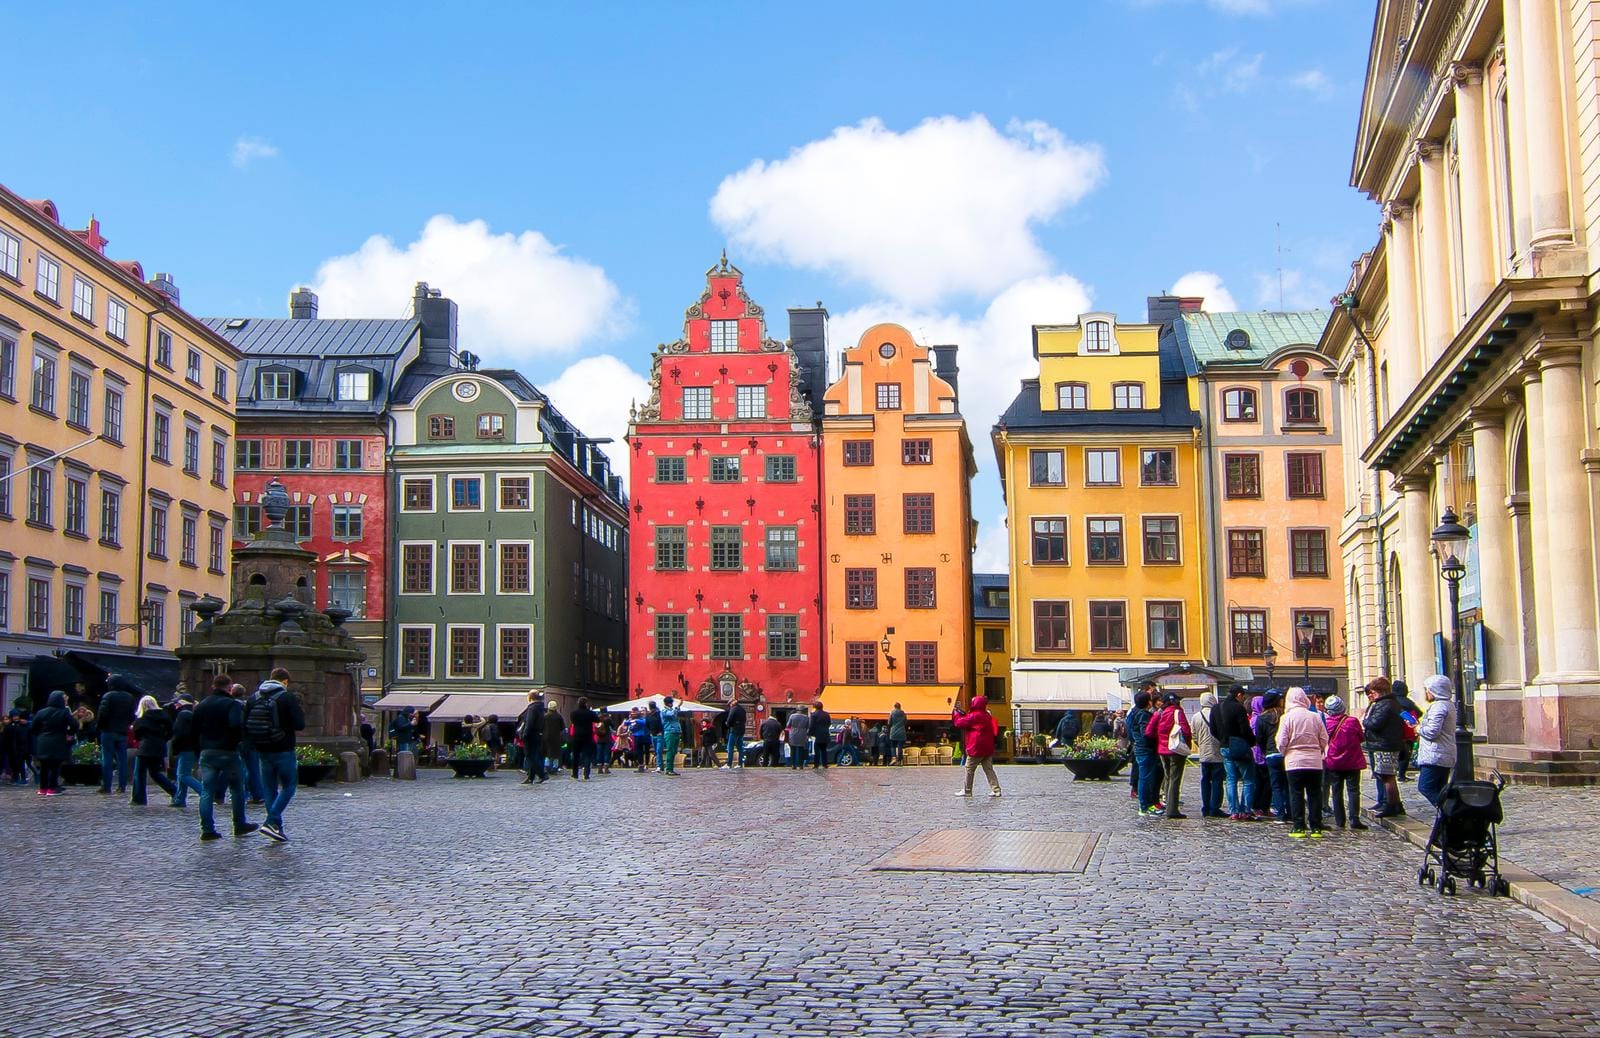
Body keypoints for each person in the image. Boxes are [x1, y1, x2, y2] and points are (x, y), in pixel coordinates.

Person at [192, 677, 258, 841]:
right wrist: (236, 743)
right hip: (228, 751)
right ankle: (239, 824)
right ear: (229, 687)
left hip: (207, 751)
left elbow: (193, 729)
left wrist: (199, 748)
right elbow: (236, 725)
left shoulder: (202, 705)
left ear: (213, 686)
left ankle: (207, 829)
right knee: (237, 789)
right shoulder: (232, 704)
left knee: (207, 791)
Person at [246, 668, 305, 843]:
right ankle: (271, 821)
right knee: (289, 786)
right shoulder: (286, 697)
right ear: (285, 681)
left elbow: (245, 724)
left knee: (269, 788)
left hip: (262, 749)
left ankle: (276, 828)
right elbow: (299, 724)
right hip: (283, 748)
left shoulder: (253, 698)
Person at [1276, 687, 1330, 838]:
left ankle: (1299, 826)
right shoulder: (1315, 717)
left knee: (1296, 793)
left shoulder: (1287, 717)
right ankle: (1316, 827)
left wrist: (1285, 752)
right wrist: (1319, 751)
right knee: (1315, 794)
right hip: (1314, 761)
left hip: (1294, 761)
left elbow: (1281, 740)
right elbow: (1324, 739)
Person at [1211, 685, 1257, 821]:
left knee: (1230, 779)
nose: (1243, 699)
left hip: (1224, 746)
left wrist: (1223, 739)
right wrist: (1252, 741)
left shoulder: (1216, 708)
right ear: (1238, 695)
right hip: (1239, 746)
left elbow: (1212, 729)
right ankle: (1246, 810)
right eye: (1243, 696)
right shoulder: (1238, 708)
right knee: (1247, 779)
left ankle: (1234, 811)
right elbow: (1245, 729)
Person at [1362, 678, 1406, 818]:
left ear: (1380, 691)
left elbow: (1375, 723)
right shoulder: (1388, 703)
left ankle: (1391, 805)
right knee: (1386, 775)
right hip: (1385, 743)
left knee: (1387, 776)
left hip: (1385, 744)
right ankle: (1396, 804)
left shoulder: (1385, 704)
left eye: (1372, 692)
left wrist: (1365, 721)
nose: (1370, 695)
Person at [1145, 693, 1193, 819]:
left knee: (1167, 778)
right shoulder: (1178, 712)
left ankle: (1167, 804)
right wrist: (1187, 744)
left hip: (1162, 750)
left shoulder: (1159, 713)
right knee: (1175, 779)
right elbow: (1186, 731)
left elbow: (1149, 731)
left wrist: (1160, 739)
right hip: (1176, 750)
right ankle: (1172, 809)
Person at [1322, 695, 1367, 830]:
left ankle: (1339, 820)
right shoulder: (1352, 721)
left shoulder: (1326, 722)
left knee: (1336, 790)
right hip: (1352, 760)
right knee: (1353, 790)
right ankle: (1354, 819)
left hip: (1334, 761)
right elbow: (1361, 737)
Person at [1415, 674, 1458, 807]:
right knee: (1440, 789)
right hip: (1443, 753)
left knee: (1426, 787)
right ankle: (1445, 820)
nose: (1426, 693)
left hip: (1435, 754)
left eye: (1427, 690)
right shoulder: (1448, 704)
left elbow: (1432, 732)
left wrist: (1417, 728)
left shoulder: (1439, 707)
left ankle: (1449, 811)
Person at [130, 695, 176, 806]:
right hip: (159, 747)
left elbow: (136, 735)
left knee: (139, 773)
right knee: (155, 773)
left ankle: (138, 798)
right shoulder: (164, 717)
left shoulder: (142, 719)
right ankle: (175, 791)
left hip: (145, 748)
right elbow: (170, 732)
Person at [952, 696, 1001, 798]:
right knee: (988, 769)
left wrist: (956, 714)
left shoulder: (974, 716)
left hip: (976, 747)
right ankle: (996, 790)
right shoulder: (987, 715)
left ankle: (967, 790)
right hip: (987, 747)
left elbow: (959, 723)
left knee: (969, 768)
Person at [30, 691, 77, 796]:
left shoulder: (41, 712)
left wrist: (40, 734)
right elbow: (75, 724)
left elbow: (33, 727)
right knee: (55, 766)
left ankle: (42, 788)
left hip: (43, 741)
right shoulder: (63, 712)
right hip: (58, 740)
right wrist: (69, 733)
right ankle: (52, 788)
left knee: (44, 766)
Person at [96, 676, 136, 796]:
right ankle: (121, 786)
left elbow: (102, 713)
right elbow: (131, 715)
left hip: (108, 730)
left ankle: (107, 786)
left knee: (107, 758)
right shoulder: (129, 697)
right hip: (122, 731)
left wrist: (100, 726)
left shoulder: (108, 696)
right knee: (122, 759)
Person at [231, 683, 267, 805]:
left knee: (245, 769)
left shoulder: (234, 705)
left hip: (242, 741)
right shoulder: (248, 703)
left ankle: (247, 793)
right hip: (252, 739)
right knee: (253, 768)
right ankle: (257, 794)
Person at [1255, 691, 1288, 822]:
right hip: (1285, 753)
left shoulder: (1261, 718)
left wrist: (1265, 750)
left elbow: (1260, 738)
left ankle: (1280, 813)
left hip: (1271, 753)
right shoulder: (1285, 715)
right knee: (1287, 785)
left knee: (1276, 785)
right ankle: (1291, 811)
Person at [1192, 691, 1225, 818]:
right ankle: (1215, 807)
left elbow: (1194, 736)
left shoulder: (1196, 716)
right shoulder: (1219, 714)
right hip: (1217, 753)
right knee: (1217, 781)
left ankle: (1205, 806)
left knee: (1205, 780)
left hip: (1204, 754)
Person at [1126, 691, 1160, 815]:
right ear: (1148, 702)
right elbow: (1146, 733)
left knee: (1145, 777)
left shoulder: (1133, 713)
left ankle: (1146, 804)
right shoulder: (1143, 714)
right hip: (1145, 749)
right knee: (1145, 778)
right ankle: (1144, 805)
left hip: (1140, 748)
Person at [169, 690, 204, 808]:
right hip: (192, 748)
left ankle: (205, 793)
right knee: (181, 774)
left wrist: (175, 746)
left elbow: (179, 733)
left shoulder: (183, 715)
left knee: (183, 774)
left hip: (185, 748)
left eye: (177, 703)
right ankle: (179, 798)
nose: (175, 705)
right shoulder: (192, 713)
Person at [1393, 679, 1423, 783]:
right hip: (1407, 731)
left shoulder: (1391, 701)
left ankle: (1393, 773)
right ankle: (1401, 775)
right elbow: (1419, 712)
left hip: (1394, 732)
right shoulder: (1408, 702)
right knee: (1406, 754)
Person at [518, 693, 547, 784]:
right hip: (538, 734)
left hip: (530, 735)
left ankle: (542, 774)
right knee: (534, 755)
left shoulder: (532, 708)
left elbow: (529, 723)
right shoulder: (540, 707)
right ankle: (531, 777)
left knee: (530, 756)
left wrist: (524, 734)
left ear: (530, 697)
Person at [569, 698, 597, 780]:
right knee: (587, 755)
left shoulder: (573, 713)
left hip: (576, 735)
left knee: (576, 755)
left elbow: (573, 722)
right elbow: (597, 720)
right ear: (586, 704)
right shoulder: (590, 713)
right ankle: (586, 774)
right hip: (588, 736)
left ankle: (574, 774)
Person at [658, 696, 683, 775]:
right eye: (671, 702)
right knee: (670, 750)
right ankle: (668, 769)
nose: (672, 704)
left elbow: (675, 712)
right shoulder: (664, 710)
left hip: (675, 731)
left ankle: (671, 769)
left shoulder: (671, 710)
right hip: (669, 732)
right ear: (669, 703)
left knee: (674, 751)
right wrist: (678, 706)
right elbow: (671, 714)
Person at [722, 699, 747, 771]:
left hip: (734, 730)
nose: (730, 705)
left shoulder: (734, 709)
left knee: (730, 747)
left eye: (730, 704)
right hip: (742, 730)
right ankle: (740, 764)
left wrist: (727, 724)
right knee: (740, 748)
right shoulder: (742, 709)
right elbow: (744, 720)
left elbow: (730, 719)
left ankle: (729, 764)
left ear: (732, 703)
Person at [543, 703, 566, 777]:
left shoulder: (545, 716)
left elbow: (541, 726)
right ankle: (554, 768)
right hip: (556, 738)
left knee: (547, 754)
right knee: (556, 754)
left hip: (546, 737)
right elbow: (562, 727)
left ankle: (546, 767)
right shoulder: (559, 716)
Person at [810, 701, 832, 769]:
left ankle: (816, 764)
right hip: (825, 734)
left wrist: (810, 733)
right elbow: (829, 723)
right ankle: (825, 764)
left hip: (817, 734)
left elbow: (812, 725)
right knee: (824, 750)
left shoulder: (814, 715)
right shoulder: (826, 714)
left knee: (816, 750)